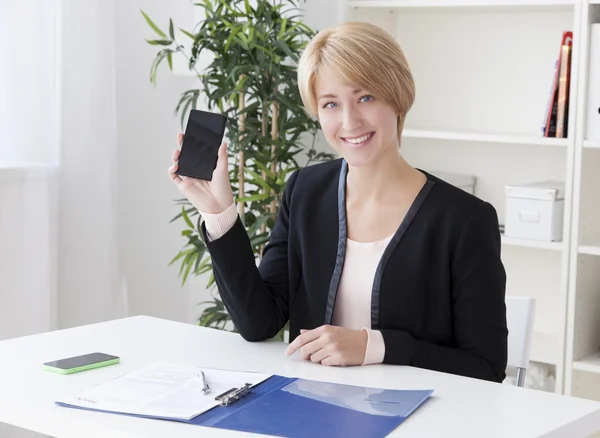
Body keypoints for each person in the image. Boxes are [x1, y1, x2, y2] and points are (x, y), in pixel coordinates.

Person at [168, 21, 508, 383]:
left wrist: (374, 346)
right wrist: (218, 211)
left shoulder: (465, 219)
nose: (349, 121)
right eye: (331, 104)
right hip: (314, 407)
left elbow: (485, 367)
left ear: (398, 97)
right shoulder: (305, 192)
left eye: (365, 97)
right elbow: (259, 322)